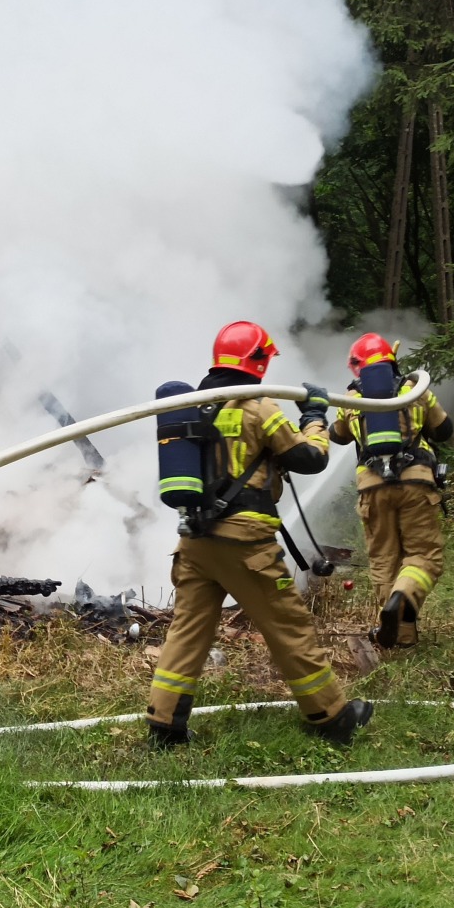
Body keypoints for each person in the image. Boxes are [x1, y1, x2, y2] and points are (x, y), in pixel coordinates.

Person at [147, 320, 375, 749]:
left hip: (195, 543)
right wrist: (314, 418)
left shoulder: (198, 405)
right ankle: (332, 717)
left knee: (188, 631)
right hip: (244, 545)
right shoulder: (258, 407)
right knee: (289, 627)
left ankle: (164, 725)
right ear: (258, 361)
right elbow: (310, 459)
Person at [328, 333, 454, 650]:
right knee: (423, 557)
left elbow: (338, 436)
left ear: (357, 367)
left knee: (384, 561)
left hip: (372, 489)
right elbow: (444, 429)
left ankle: (401, 637)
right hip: (416, 483)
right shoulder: (416, 390)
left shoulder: (351, 400)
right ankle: (404, 596)